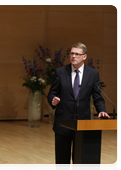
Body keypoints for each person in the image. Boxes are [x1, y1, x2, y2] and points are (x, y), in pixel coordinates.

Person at [47, 42, 110, 170]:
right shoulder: (60, 72)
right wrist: (52, 99)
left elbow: (97, 97)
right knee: (62, 162)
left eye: (77, 54)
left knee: (81, 161)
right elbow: (52, 92)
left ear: (84, 57)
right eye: (71, 53)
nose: (73, 56)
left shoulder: (92, 74)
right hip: (63, 123)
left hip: (83, 124)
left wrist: (102, 110)